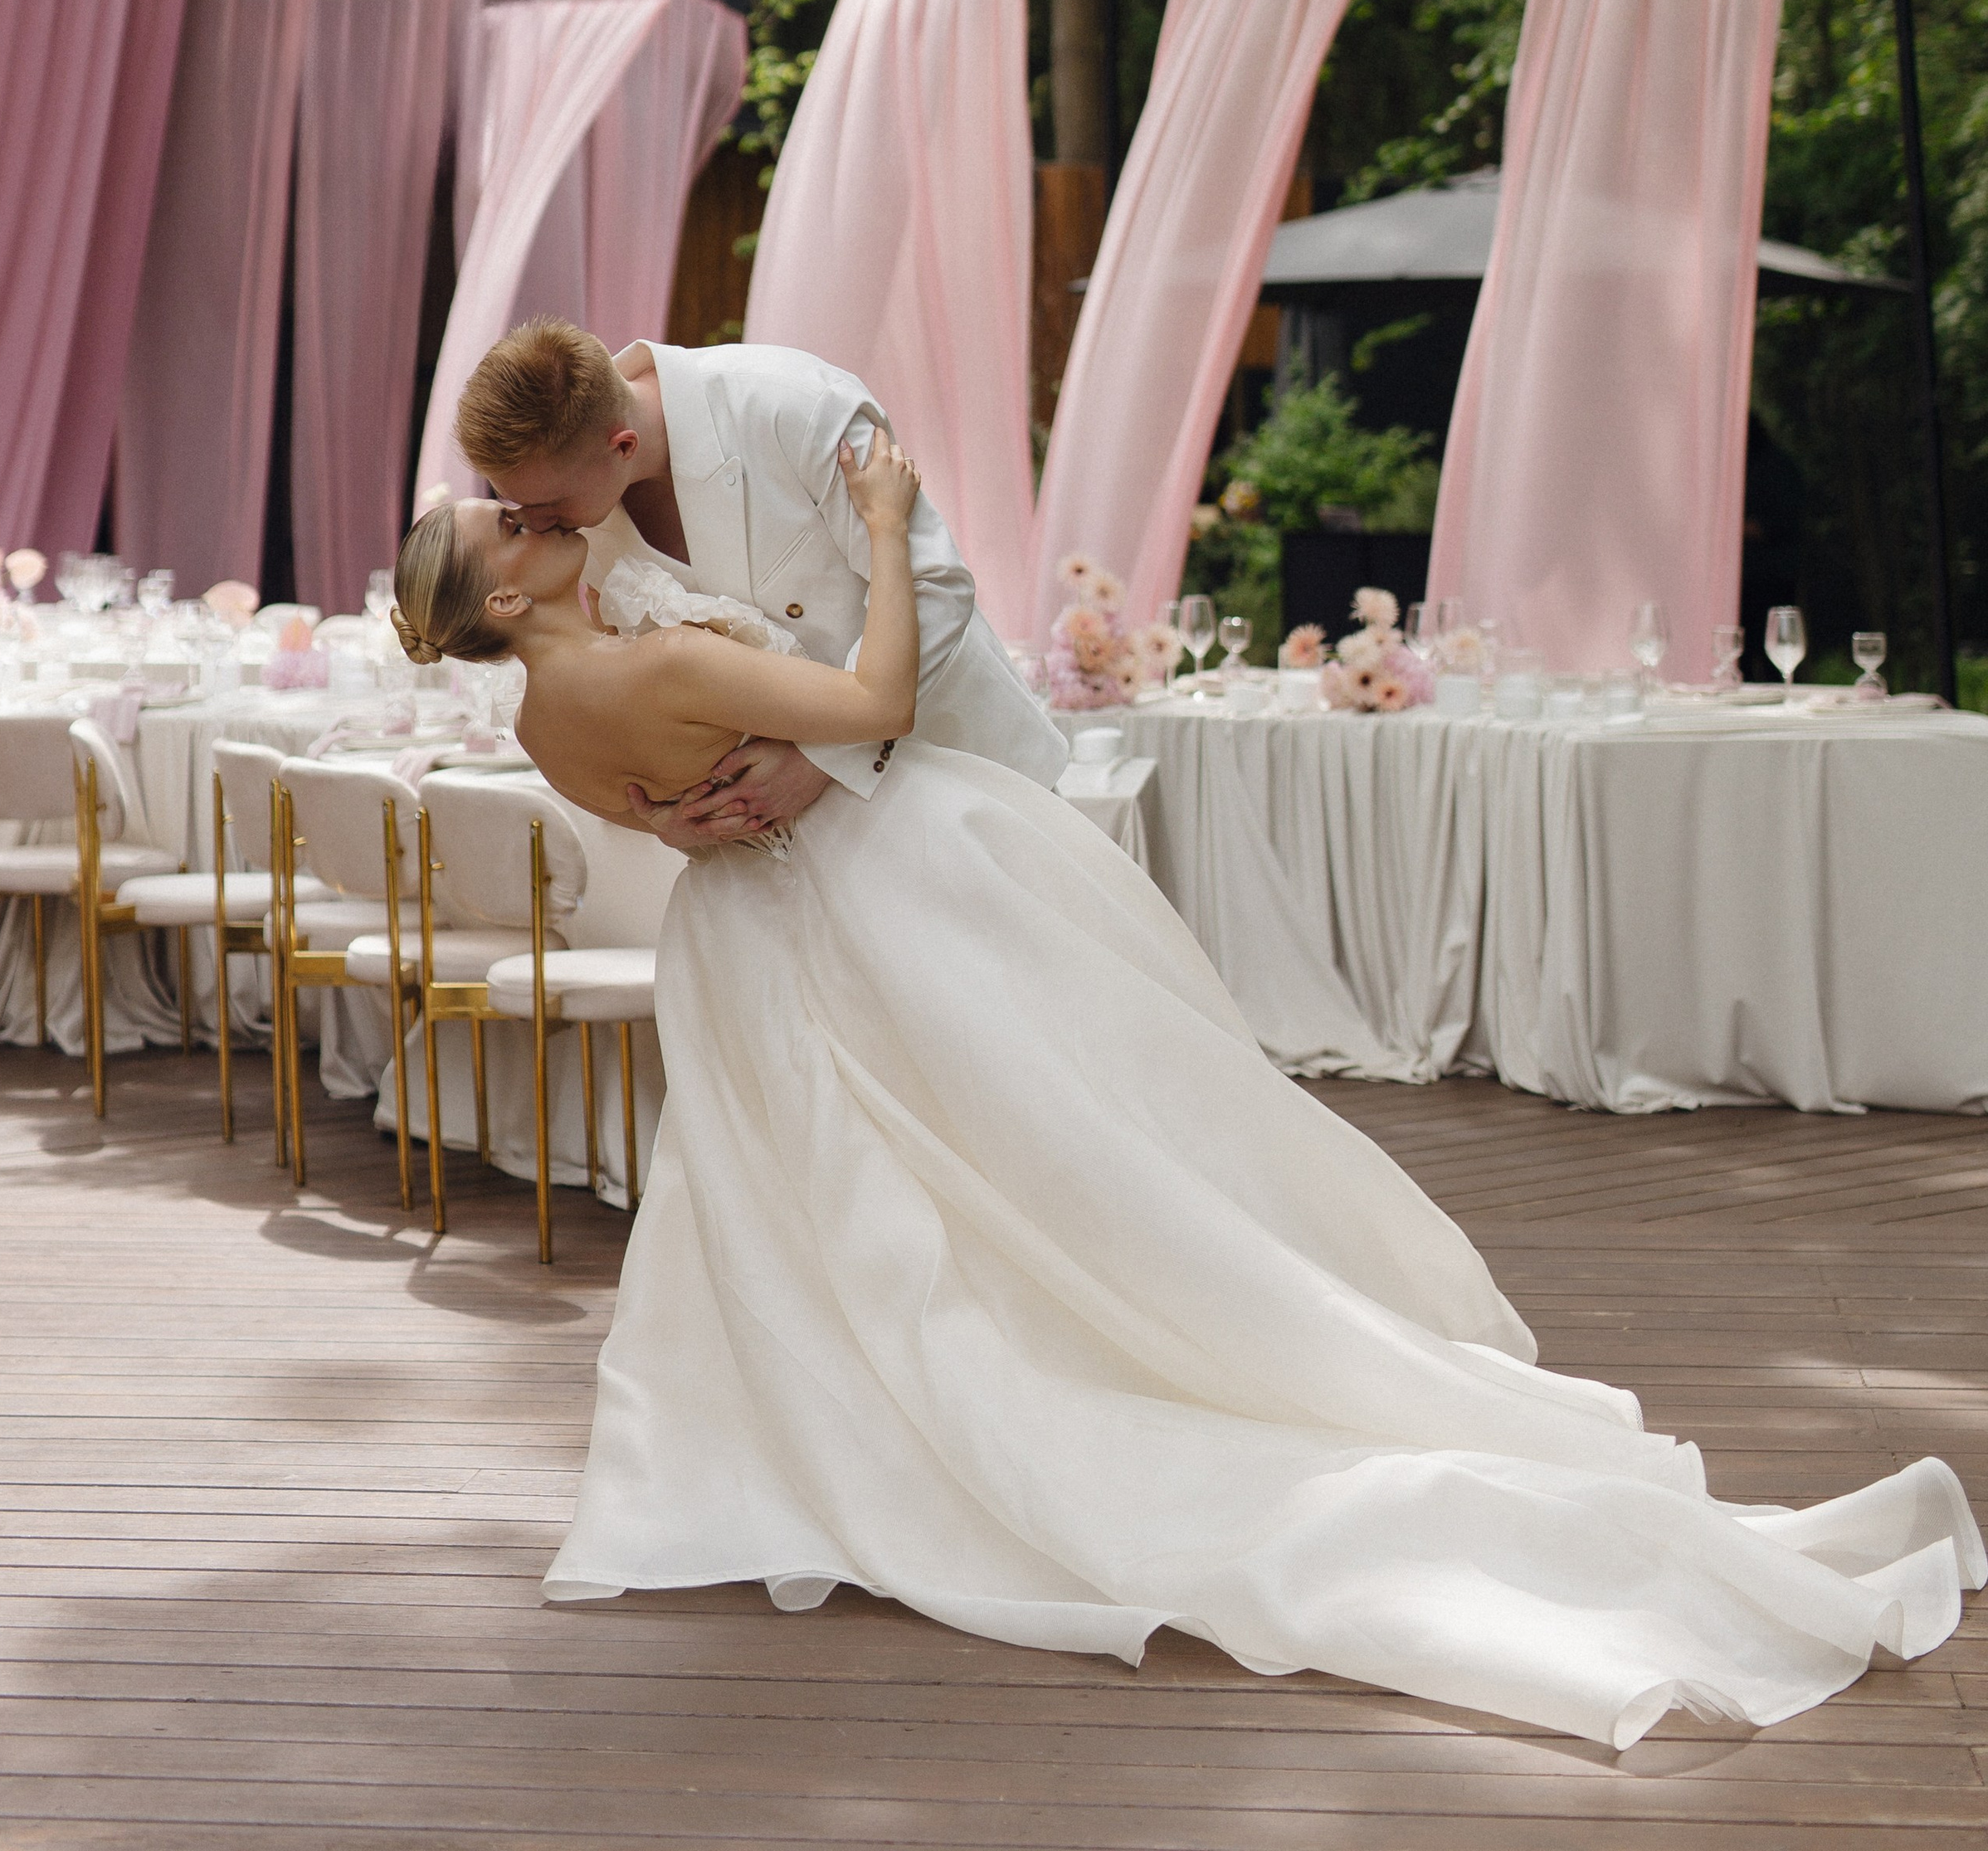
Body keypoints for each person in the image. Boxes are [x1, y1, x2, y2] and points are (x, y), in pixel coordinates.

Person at [389, 450, 1981, 1751]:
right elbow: (874, 705)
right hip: (874, 891)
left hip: (740, 945)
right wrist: (880, 527)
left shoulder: (542, 714)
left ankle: (865, 1442)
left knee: (843, 1204)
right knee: (1063, 1149)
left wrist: (710, 799)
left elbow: (675, 828)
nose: (536, 519)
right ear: (506, 590)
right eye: (507, 526)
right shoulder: (656, 655)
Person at [449, 317, 1064, 847]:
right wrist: (669, 818)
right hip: (796, 849)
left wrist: (822, 757)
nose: (536, 523)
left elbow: (935, 584)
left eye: (548, 505)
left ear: (624, 445)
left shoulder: (796, 403)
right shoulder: (571, 518)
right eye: (518, 508)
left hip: (957, 773)